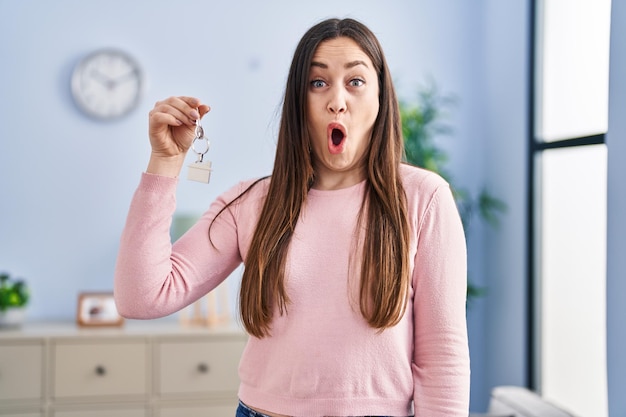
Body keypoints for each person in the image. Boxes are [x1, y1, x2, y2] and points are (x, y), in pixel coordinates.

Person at [114, 17, 470, 417]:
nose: (337, 100)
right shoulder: (251, 203)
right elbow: (140, 297)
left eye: (355, 81)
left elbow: (443, 355)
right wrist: (164, 163)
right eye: (318, 83)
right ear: (298, 103)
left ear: (381, 98)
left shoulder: (424, 197)